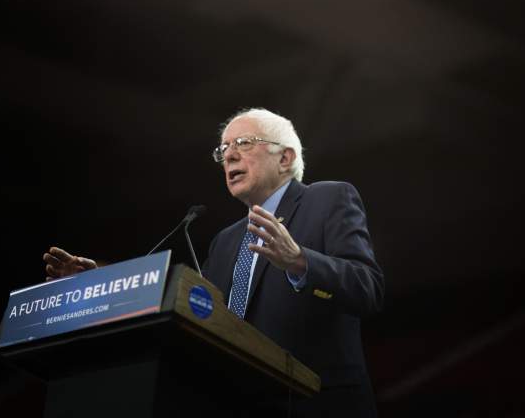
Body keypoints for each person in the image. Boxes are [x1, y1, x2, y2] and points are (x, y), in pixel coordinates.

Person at [43, 108, 384, 416]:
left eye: (244, 143)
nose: (229, 155)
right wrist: (102, 284)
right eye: (223, 149)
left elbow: (367, 288)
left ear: (285, 159)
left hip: (319, 405)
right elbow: (198, 312)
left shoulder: (328, 198)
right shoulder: (226, 241)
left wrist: (300, 262)